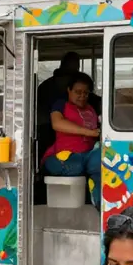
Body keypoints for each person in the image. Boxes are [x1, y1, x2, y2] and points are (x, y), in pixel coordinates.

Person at [41, 72, 102, 208]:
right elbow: (57, 123)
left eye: (86, 93)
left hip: (88, 155)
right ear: (69, 90)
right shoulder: (61, 104)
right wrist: (89, 132)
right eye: (78, 92)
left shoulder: (91, 108)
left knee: (104, 159)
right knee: (77, 165)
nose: (82, 96)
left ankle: (99, 205)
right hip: (64, 156)